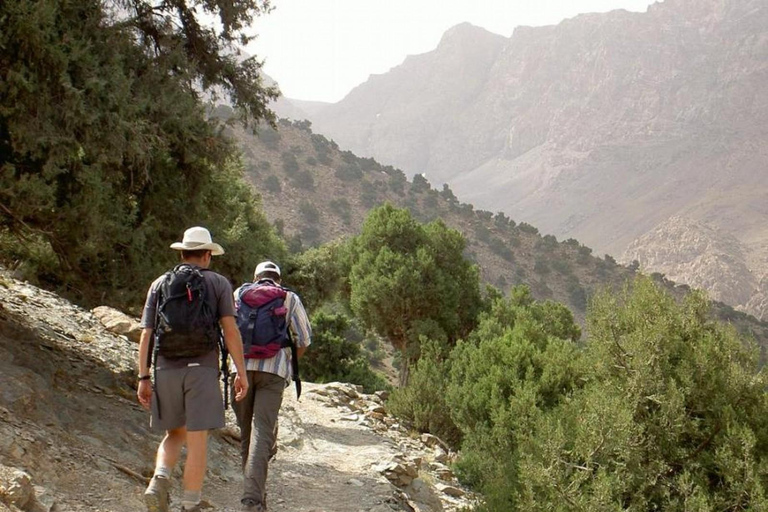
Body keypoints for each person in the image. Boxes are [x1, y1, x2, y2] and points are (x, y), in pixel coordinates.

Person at [137, 226, 248, 512]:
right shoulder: (220, 284)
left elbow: (147, 333)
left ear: (183, 252)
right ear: (208, 255)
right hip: (202, 367)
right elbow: (230, 330)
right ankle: (190, 504)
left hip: (165, 368)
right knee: (197, 438)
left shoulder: (160, 283)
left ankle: (159, 480)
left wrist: (143, 377)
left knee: (174, 433)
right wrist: (241, 371)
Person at [233, 261, 312, 512]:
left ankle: (254, 496)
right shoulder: (289, 298)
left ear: (255, 277)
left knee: (247, 433)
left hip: (241, 370)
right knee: (262, 432)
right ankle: (252, 500)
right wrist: (288, 361)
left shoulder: (239, 294)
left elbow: (229, 331)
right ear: (278, 278)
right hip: (273, 372)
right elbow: (304, 338)